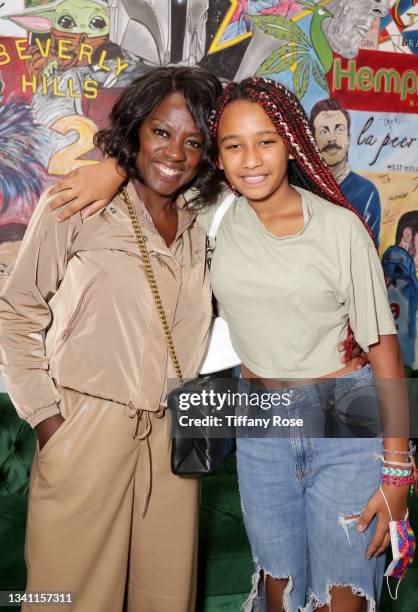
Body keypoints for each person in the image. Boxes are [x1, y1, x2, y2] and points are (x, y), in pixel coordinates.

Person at [48, 77, 411, 612]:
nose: (251, 159)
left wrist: (398, 472)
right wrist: (112, 167)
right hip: (261, 418)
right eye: (233, 145)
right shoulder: (215, 215)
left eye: (265, 140)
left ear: (291, 141)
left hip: (345, 419)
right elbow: (163, 161)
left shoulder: (340, 229)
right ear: (218, 156)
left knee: (344, 597)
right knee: (278, 588)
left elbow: (383, 352)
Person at [0, 65, 223, 612]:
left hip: (175, 434)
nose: (175, 152)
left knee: (166, 598)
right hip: (87, 425)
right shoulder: (79, 203)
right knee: (68, 599)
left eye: (193, 141)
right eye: (161, 132)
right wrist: (51, 421)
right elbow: (15, 310)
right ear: (134, 132)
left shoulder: (206, 225)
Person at [310, 98, 382, 246]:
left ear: (348, 138)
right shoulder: (300, 187)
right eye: (324, 131)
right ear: (312, 139)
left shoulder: (367, 193)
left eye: (339, 129)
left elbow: (367, 253)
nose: (332, 138)